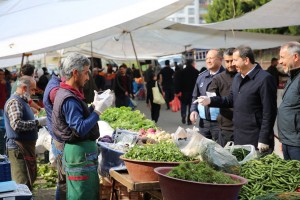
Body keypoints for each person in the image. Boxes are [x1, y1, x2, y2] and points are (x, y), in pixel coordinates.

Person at [52, 53, 112, 199]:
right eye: (85, 73)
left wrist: (92, 107)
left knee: (84, 193)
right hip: (79, 155)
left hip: (80, 154)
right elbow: (79, 128)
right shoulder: (69, 99)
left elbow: (78, 118)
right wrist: (97, 112)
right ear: (75, 73)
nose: (87, 78)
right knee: (82, 194)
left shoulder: (68, 93)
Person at [199, 46, 277, 153]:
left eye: (235, 60)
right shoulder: (238, 77)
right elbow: (230, 100)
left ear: (246, 60)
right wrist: (211, 100)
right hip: (239, 135)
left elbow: (269, 112)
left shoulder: (264, 79)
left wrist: (264, 138)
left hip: (256, 136)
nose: (233, 64)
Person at [4, 76, 46, 190]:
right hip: (18, 148)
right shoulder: (15, 102)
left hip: (25, 146)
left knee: (27, 180)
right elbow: (16, 124)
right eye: (32, 90)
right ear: (23, 88)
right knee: (22, 184)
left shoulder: (22, 101)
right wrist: (37, 122)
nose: (33, 93)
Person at [190, 49, 225, 141]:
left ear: (220, 59)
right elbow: (195, 96)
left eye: (211, 58)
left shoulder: (226, 77)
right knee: (203, 149)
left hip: (220, 122)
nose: (208, 61)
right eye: (207, 59)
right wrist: (193, 110)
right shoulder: (201, 77)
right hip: (203, 122)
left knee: (220, 150)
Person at [42, 65, 64, 200]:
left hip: (58, 137)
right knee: (63, 180)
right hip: (60, 139)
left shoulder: (54, 84)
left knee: (62, 179)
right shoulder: (55, 90)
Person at [207, 48, 237, 147]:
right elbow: (211, 95)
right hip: (226, 126)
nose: (230, 64)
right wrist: (211, 100)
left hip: (245, 126)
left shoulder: (244, 76)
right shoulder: (218, 78)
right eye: (227, 61)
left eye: (232, 61)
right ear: (223, 61)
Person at [277, 41, 300, 160]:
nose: (280, 61)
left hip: (297, 144)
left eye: (282, 57)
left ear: (295, 57)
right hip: (288, 141)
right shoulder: (292, 77)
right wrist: (283, 139)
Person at [175, 59, 199, 125]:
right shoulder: (196, 72)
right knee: (191, 106)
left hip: (184, 91)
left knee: (183, 104)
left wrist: (177, 91)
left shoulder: (181, 72)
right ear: (192, 63)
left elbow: (178, 82)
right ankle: (189, 120)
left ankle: (183, 114)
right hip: (193, 92)